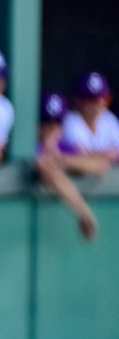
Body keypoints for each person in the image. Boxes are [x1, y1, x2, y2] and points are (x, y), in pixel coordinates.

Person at [36, 92, 105, 241]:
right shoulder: (31, 146)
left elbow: (101, 165)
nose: (52, 128)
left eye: (57, 122)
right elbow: (47, 168)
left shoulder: (64, 147)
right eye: (46, 122)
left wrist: (64, 160)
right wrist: (83, 212)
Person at [61, 71, 119, 163]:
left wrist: (95, 154)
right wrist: (108, 154)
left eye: (104, 98)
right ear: (77, 100)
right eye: (91, 99)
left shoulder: (109, 119)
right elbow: (80, 156)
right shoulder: (69, 121)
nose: (99, 103)